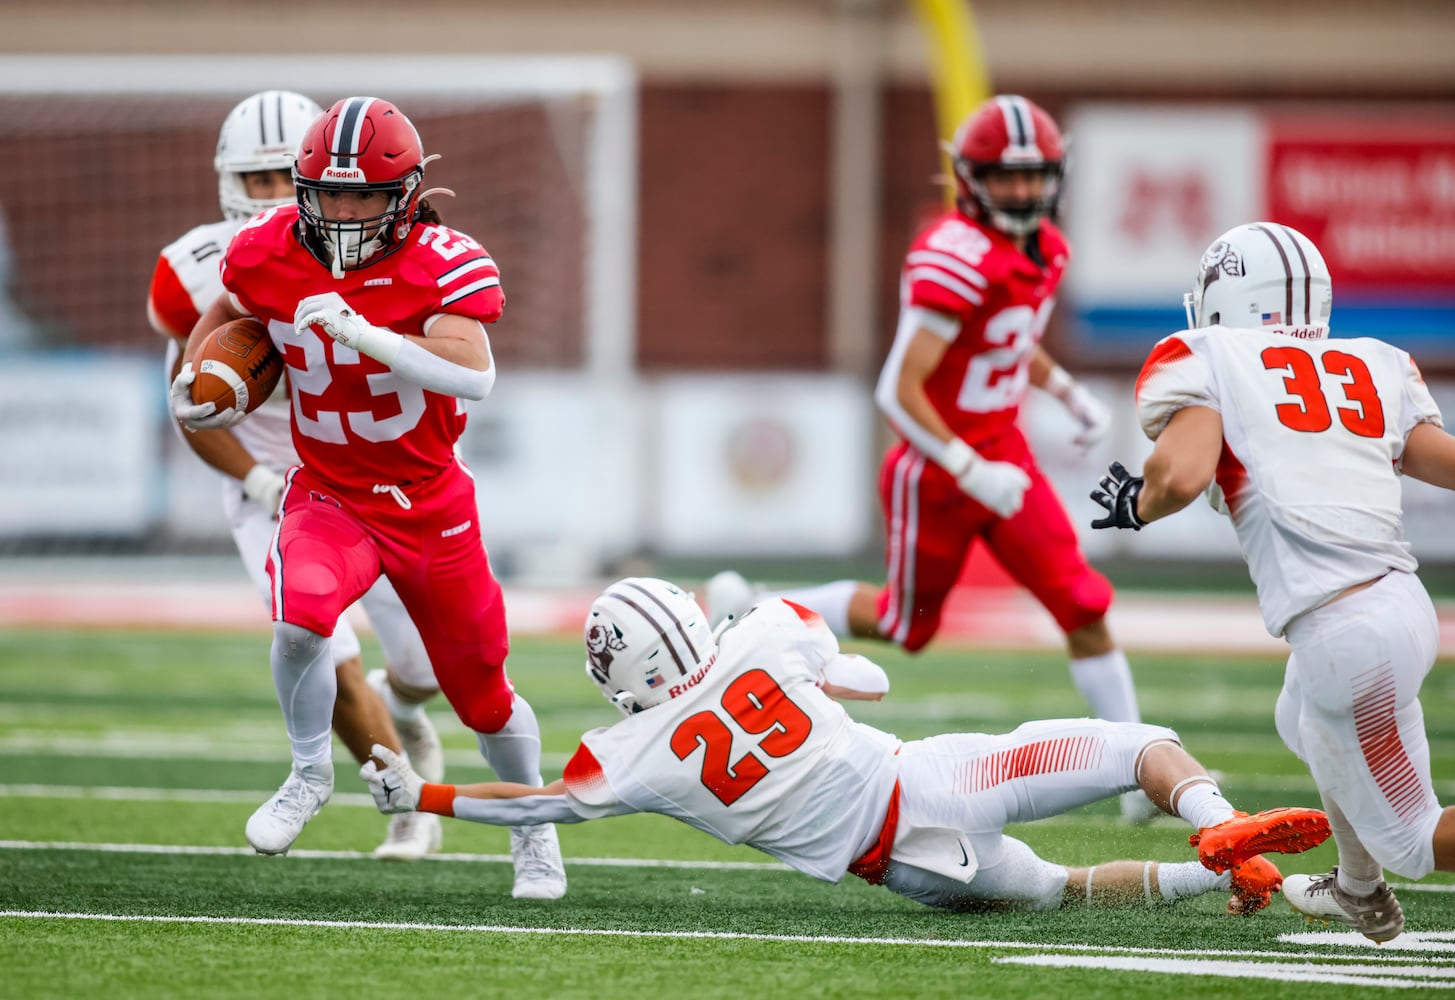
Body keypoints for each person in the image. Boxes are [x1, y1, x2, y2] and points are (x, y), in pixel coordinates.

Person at [360, 577, 1331, 916]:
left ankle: (1231, 881)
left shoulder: (630, 750)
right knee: (1136, 742)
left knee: (1061, 891)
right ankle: (1217, 822)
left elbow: (533, 802)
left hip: (899, 869)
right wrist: (817, 670)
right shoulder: (763, 632)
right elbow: (871, 679)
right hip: (931, 776)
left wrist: (421, 795)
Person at [708, 94, 1151, 819]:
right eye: (1003, 178)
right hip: (939, 469)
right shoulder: (956, 255)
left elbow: (1004, 338)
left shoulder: (1044, 248)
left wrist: (1063, 389)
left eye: (1032, 176)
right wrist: (970, 469)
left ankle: (1134, 771)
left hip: (1004, 455)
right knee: (902, 626)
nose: (1019, 192)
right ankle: (753, 605)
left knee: (1081, 603)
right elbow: (896, 387)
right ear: (968, 178)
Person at [167, 95, 566, 898]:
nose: (345, 213)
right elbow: (224, 316)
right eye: (329, 193)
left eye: (366, 197)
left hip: (428, 501)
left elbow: (474, 374)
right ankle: (309, 772)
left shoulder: (443, 258)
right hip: (331, 494)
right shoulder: (264, 251)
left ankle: (533, 831)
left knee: (483, 697)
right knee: (300, 618)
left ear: (407, 196)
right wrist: (196, 382)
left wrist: (367, 334)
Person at [1090, 220, 1455, 943]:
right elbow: (1441, 460)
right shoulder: (1373, 362)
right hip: (1400, 607)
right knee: (1300, 716)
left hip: (1345, 633)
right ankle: (1357, 890)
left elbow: (1182, 472)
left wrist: (1135, 503)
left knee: (1416, 842)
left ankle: (1372, 878)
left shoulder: (1207, 355)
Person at [147, 89, 446, 862]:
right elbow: (191, 406)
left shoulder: (387, 250)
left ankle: (405, 709)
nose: (275, 196)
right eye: (258, 180)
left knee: (427, 665)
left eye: (288, 176)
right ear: (227, 183)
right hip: (276, 487)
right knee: (318, 643)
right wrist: (257, 481)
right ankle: (404, 796)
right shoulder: (191, 271)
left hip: (376, 475)